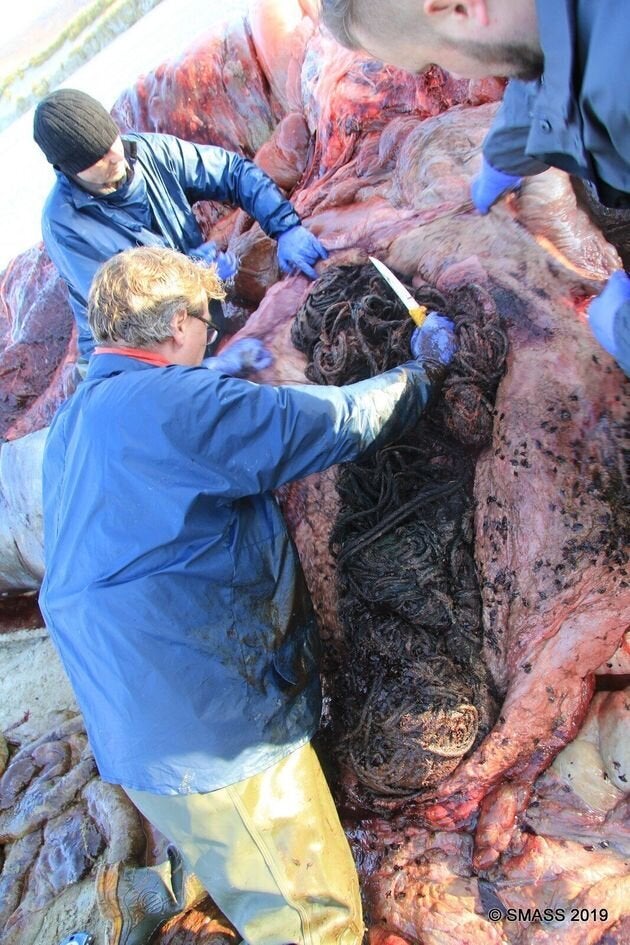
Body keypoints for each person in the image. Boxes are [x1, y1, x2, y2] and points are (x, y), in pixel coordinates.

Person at [39, 245, 457, 945]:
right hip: (214, 734)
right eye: (206, 320)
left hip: (130, 720)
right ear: (175, 325)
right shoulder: (183, 404)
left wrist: (210, 390)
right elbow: (334, 422)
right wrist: (420, 374)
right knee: (311, 918)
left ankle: (149, 891)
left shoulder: (77, 421)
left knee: (213, 837)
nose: (211, 332)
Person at [319, 0, 630, 376]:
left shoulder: (619, 89)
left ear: (459, 9)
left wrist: (623, 329)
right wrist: (504, 156)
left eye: (433, 63)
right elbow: (547, 67)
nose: (449, 72)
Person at [33, 88, 328, 365]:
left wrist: (286, 227)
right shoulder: (65, 224)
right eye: (98, 158)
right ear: (70, 170)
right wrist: (191, 276)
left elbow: (232, 173)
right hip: (135, 361)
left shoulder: (150, 153)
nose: (115, 157)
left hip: (195, 325)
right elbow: (129, 315)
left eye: (112, 142)